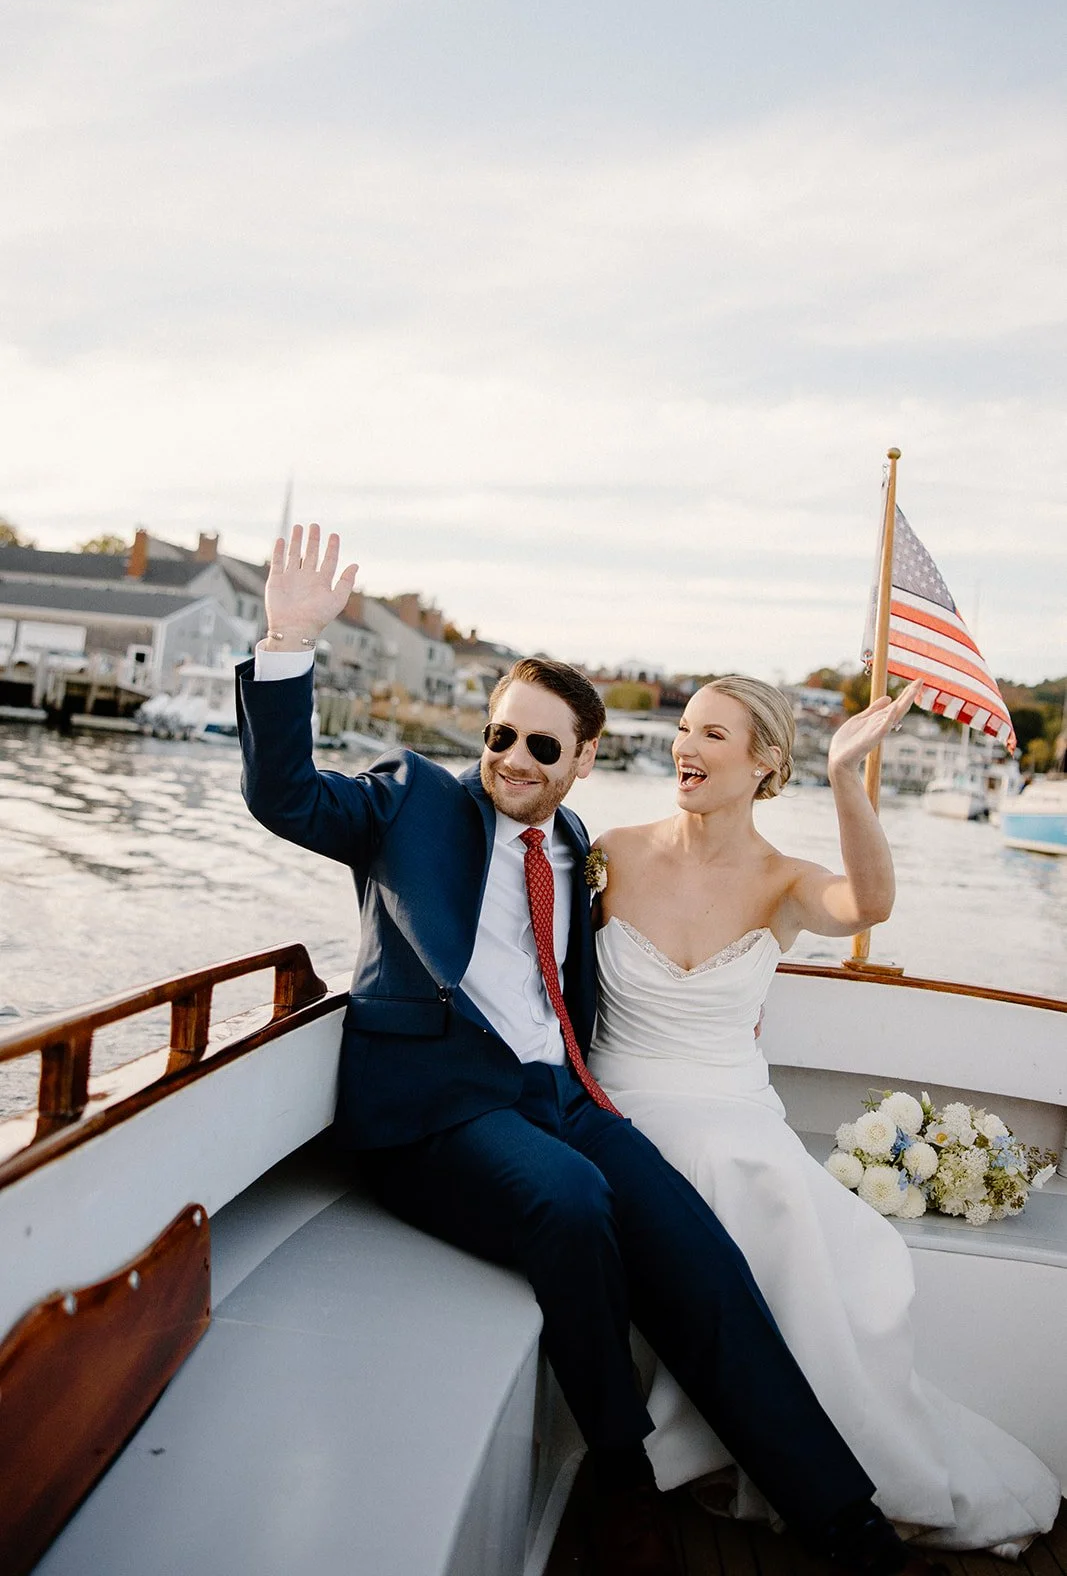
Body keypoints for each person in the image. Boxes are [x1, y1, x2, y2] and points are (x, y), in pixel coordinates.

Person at [237, 525, 945, 1576]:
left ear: (581, 761)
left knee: (702, 1260)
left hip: (563, 1097)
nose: (507, 760)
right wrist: (288, 642)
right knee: (569, 1200)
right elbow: (285, 795)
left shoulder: (578, 849)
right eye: (496, 736)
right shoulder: (411, 805)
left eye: (536, 746)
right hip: (435, 1109)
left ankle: (845, 1526)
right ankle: (622, 1474)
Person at [586, 674, 1061, 1555]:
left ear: (765, 763)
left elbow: (867, 907)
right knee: (701, 1172)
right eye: (685, 729)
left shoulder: (784, 881)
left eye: (713, 736)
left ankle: (812, 1467)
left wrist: (847, 776)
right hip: (614, 1102)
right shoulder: (610, 850)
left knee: (744, 1176)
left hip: (729, 1103)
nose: (685, 747)